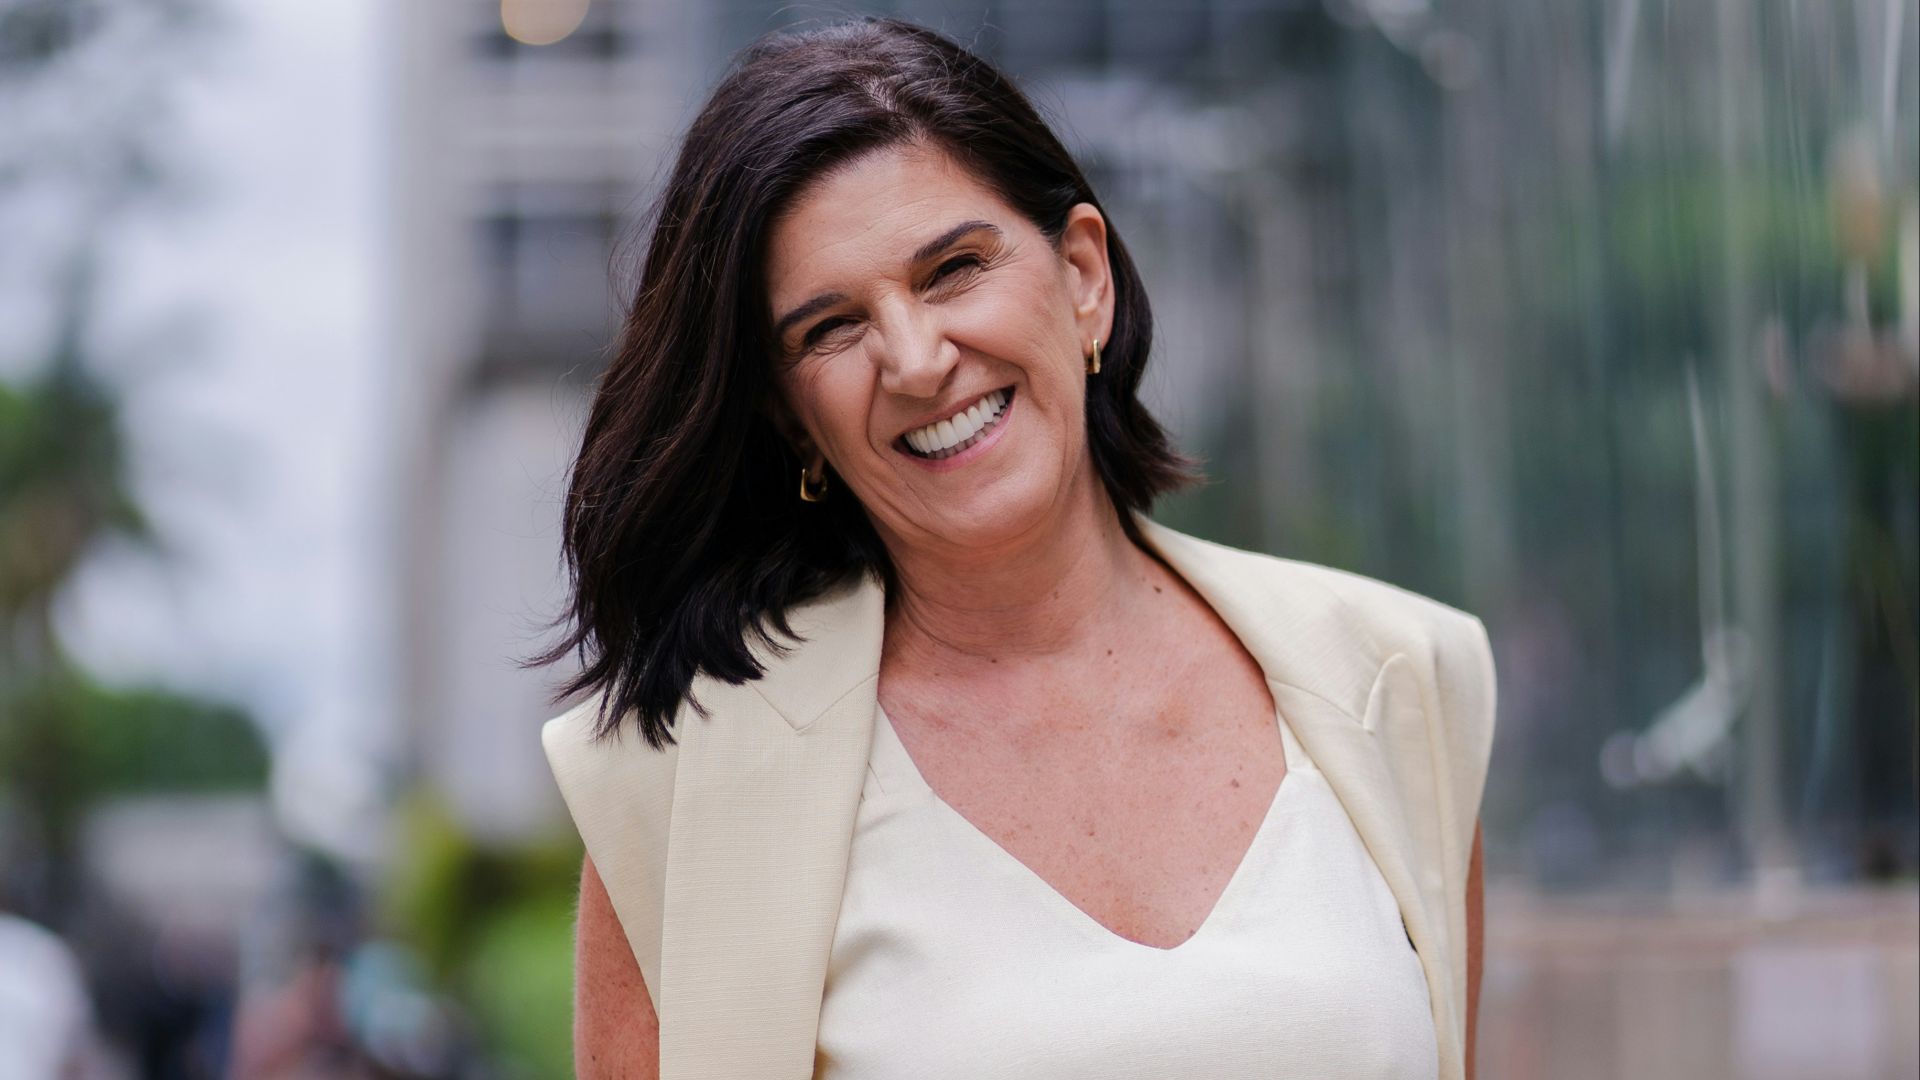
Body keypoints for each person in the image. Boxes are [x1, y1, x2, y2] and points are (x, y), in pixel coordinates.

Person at [532, 15, 1495, 1080]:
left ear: (1083, 276)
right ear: (792, 419)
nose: (915, 359)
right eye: (831, 328)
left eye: (953, 269)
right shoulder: (683, 788)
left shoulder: (1396, 680)